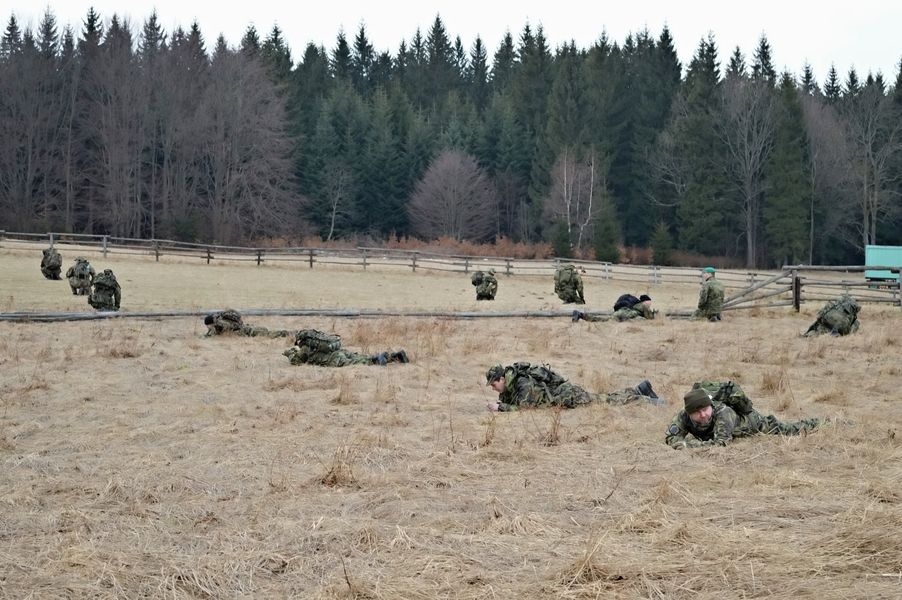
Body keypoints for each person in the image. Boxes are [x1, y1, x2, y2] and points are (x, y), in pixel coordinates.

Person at [664, 382, 822, 449]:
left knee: (790, 429)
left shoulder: (723, 413)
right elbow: (670, 437)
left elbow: (721, 444)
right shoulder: (683, 416)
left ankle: (822, 423)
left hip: (756, 423)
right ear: (689, 413)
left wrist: (686, 446)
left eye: (705, 409)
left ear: (710, 405)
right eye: (697, 413)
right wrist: (678, 443)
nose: (703, 414)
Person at [485, 362, 663, 411]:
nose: (493, 388)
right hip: (566, 395)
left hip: (569, 396)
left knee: (605, 402)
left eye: (494, 384)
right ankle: (639, 390)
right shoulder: (513, 383)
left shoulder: (523, 384)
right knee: (604, 398)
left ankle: (643, 400)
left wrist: (502, 408)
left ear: (502, 378)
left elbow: (527, 408)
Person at [283, 329, 410, 367]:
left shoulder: (306, 348)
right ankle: (394, 356)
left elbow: (296, 361)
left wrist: (289, 353)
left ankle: (377, 360)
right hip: (339, 351)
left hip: (335, 358)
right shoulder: (319, 341)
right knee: (360, 357)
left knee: (361, 362)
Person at [204, 309, 291, 338]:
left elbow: (227, 327)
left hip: (249, 331)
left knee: (267, 333)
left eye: (209, 326)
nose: (208, 328)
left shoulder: (221, 324)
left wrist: (215, 325)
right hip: (246, 329)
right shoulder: (218, 324)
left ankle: (288, 333)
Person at [572, 294, 656, 322]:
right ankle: (581, 316)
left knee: (604, 319)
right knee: (641, 320)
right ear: (646, 301)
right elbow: (650, 319)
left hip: (621, 311)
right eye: (649, 302)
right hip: (626, 314)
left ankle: (581, 315)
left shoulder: (636, 304)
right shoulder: (643, 305)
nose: (650, 304)